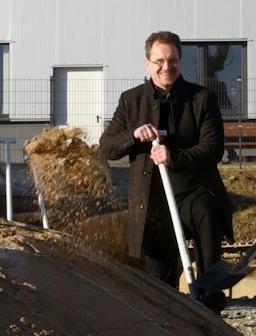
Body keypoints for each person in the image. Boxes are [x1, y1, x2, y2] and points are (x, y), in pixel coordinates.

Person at [99, 31, 230, 285]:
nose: (166, 67)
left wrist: (174, 156)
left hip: (193, 193)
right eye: (159, 61)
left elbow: (213, 148)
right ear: (147, 63)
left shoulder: (202, 99)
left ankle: (209, 299)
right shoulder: (131, 101)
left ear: (180, 61)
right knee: (160, 281)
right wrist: (134, 135)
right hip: (152, 203)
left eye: (173, 60)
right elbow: (106, 148)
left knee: (207, 211)